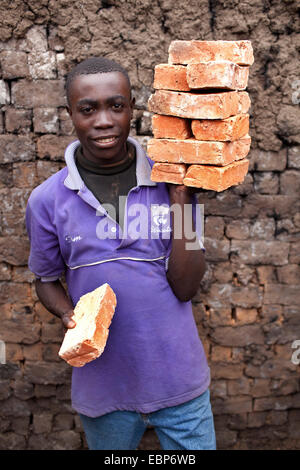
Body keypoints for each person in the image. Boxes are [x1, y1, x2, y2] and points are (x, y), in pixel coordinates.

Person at [25, 57, 216, 450]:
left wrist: (182, 197)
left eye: (116, 106)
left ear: (133, 107)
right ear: (70, 114)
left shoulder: (177, 184)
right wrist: (68, 317)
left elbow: (187, 286)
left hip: (178, 380)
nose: (104, 120)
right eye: (88, 109)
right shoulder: (46, 200)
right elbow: (45, 280)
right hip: (103, 387)